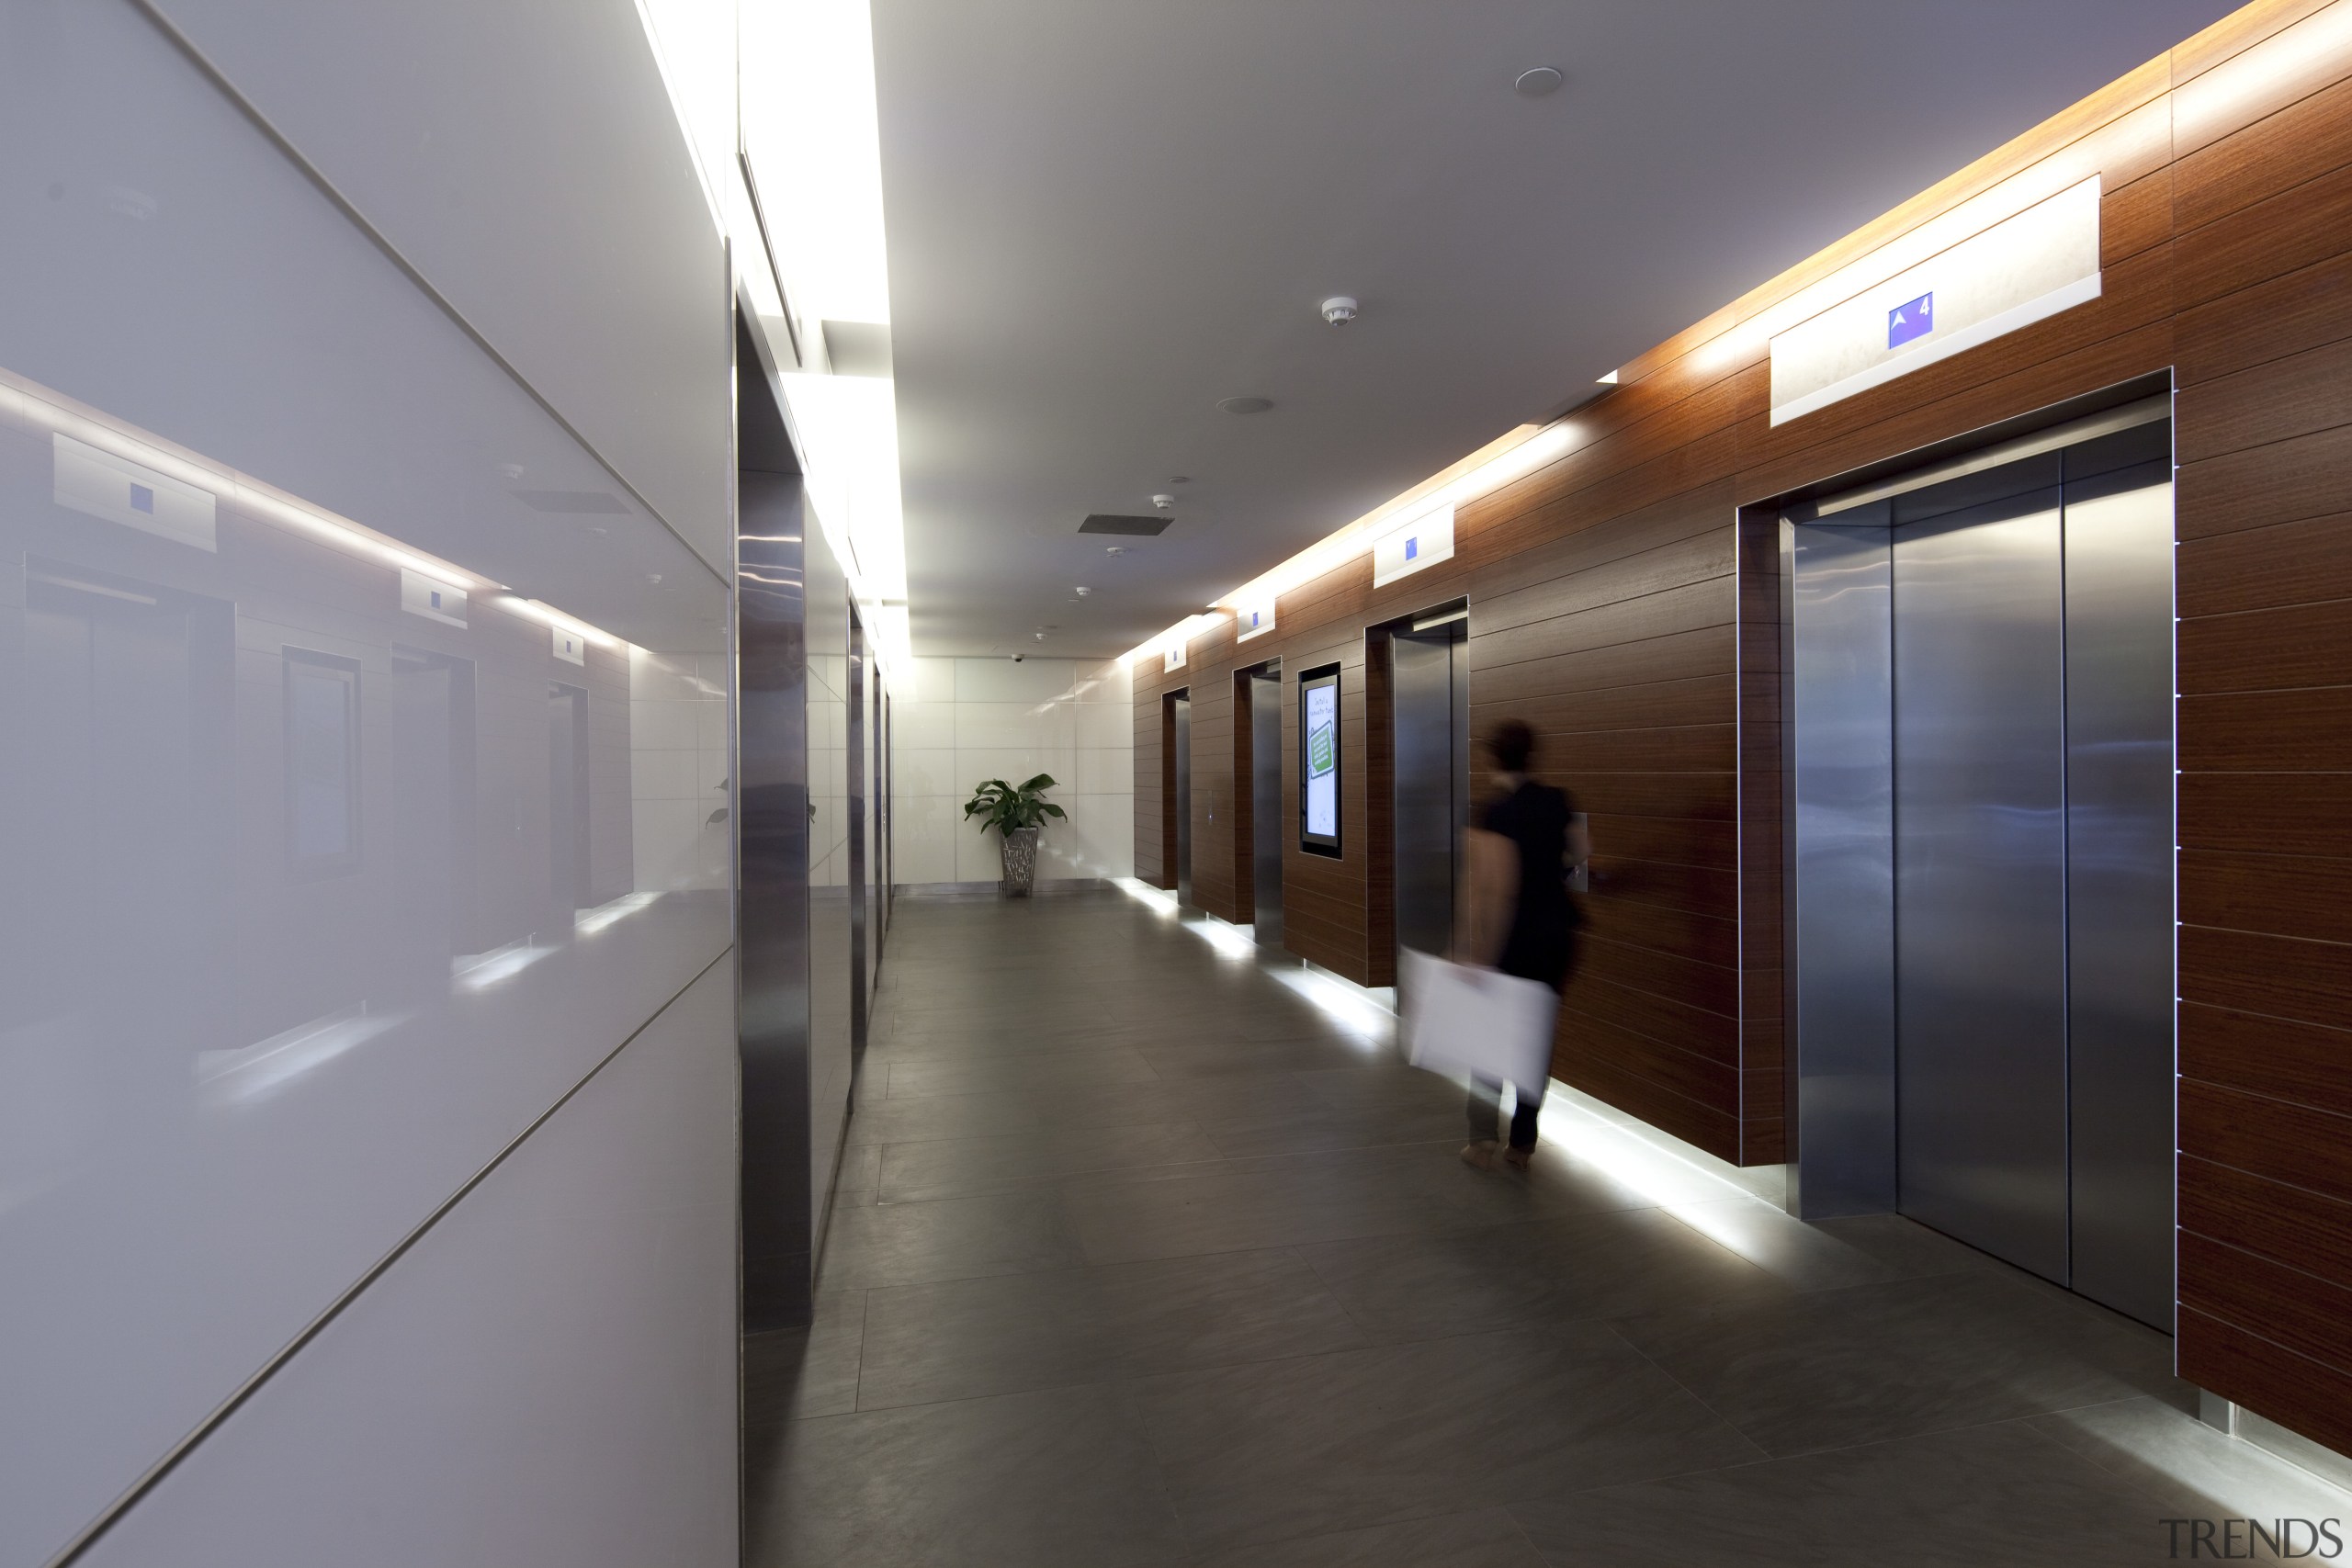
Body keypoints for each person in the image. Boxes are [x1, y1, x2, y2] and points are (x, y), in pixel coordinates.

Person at [1456, 718, 1586, 1171]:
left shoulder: (1492, 812)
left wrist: (1471, 949)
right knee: (1535, 1038)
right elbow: (1580, 857)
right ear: (1531, 755)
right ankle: (1523, 1143)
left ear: (1492, 756)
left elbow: (1487, 889)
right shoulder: (1559, 801)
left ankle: (1481, 1140)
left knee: (1490, 1038)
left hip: (1509, 939)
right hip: (1555, 936)